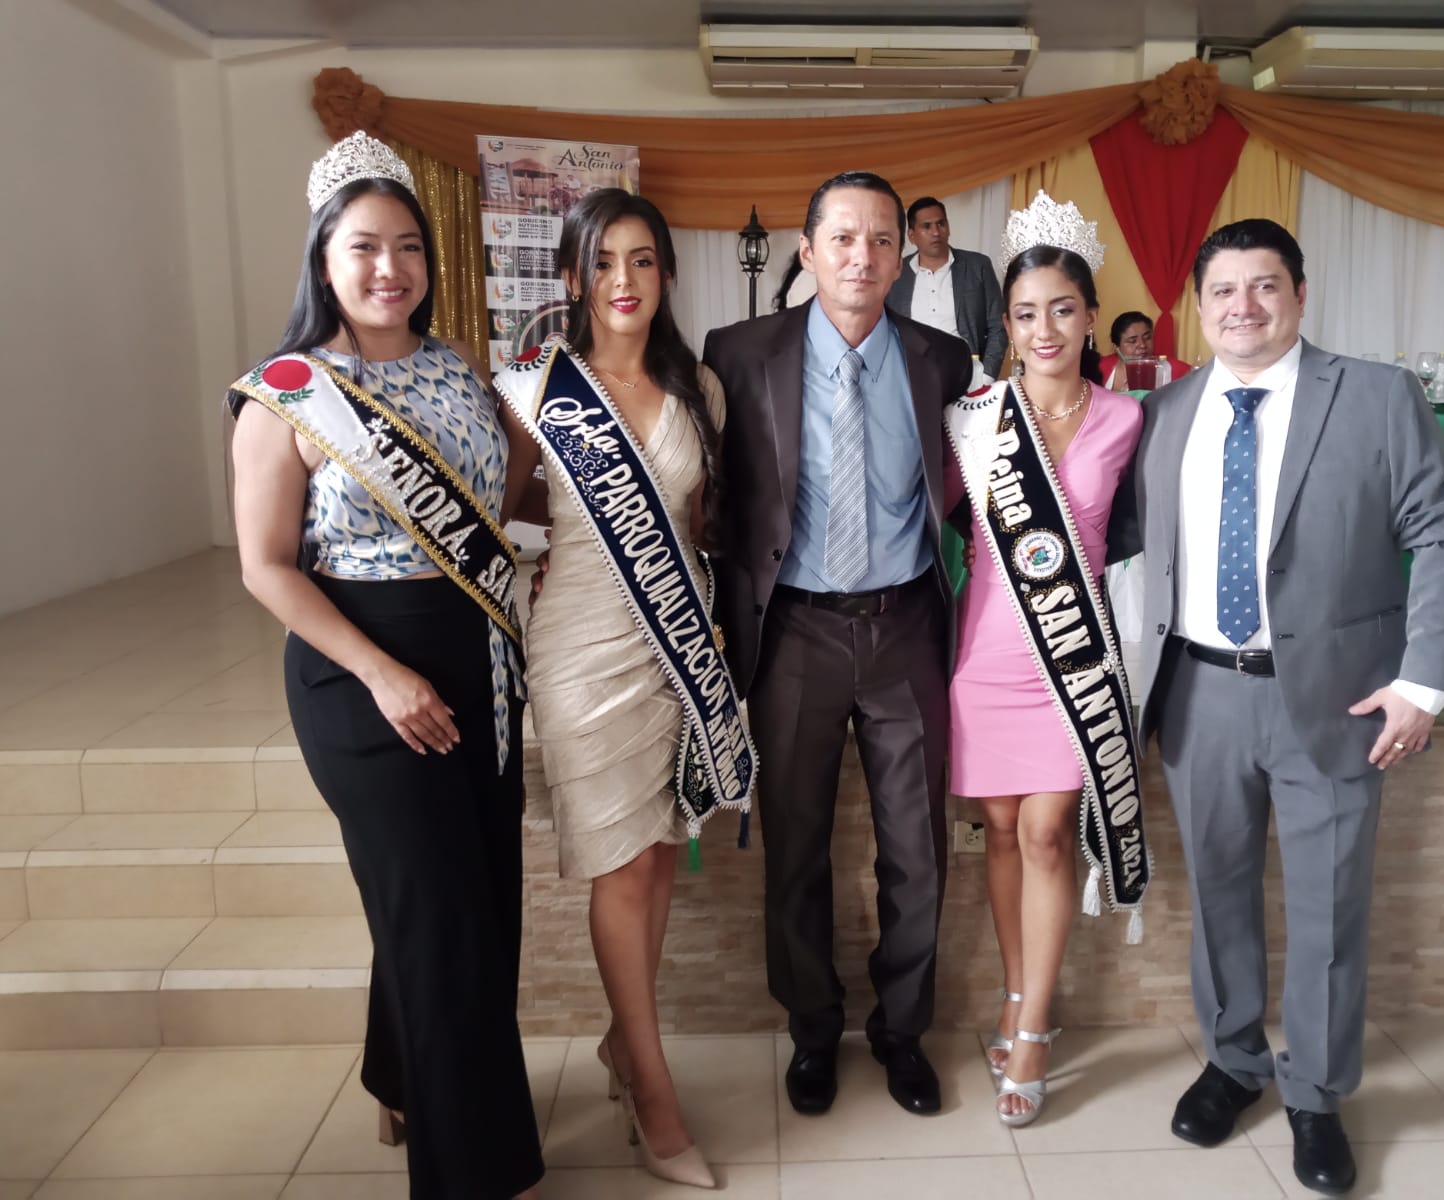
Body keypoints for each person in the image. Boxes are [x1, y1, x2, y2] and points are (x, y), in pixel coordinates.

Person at [1108, 219, 1444, 1195]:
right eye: (1223, 290)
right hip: (1199, 693)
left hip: (1337, 698)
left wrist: (1423, 681)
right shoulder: (1166, 409)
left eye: (1264, 285)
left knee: (1328, 907)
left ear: (1300, 294)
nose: (1243, 307)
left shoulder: (1375, 396)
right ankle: (1235, 1063)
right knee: (1219, 896)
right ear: (1198, 306)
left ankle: (1315, 1093)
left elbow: (1443, 534)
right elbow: (1114, 534)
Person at [228, 133, 544, 1199]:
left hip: (478, 661)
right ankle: (475, 1173)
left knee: (468, 897)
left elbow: (502, 497)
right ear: (324, 259)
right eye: (363, 246)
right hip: (359, 673)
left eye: (408, 246)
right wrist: (381, 673)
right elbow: (266, 569)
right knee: (440, 918)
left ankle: (401, 1074)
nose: (388, 268)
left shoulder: (457, 366)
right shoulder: (284, 395)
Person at [496, 188, 752, 1191]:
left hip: (673, 641)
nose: (623, 280)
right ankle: (653, 1092)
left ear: (666, 274)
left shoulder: (701, 389)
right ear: (572, 275)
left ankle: (620, 1044)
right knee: (618, 863)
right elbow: (499, 502)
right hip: (578, 648)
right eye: (603, 260)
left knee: (654, 852)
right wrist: (573, 525)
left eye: (643, 260)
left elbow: (700, 523)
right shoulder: (538, 388)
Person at [702, 171, 972, 1119]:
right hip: (794, 631)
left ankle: (903, 1031)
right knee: (795, 845)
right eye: (844, 238)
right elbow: (713, 496)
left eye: (882, 240)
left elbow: (970, 495)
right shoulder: (738, 353)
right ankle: (812, 1030)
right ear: (808, 250)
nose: (863, 256)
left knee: (917, 849)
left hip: (906, 626)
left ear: (903, 257)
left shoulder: (944, 361)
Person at [944, 193, 1149, 1128]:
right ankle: (1018, 994)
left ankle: (1032, 1032)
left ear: (1090, 316)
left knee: (1046, 832)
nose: (1044, 330)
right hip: (986, 649)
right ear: (1007, 323)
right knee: (998, 830)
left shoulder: (1128, 421)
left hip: (1072, 657)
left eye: (1062, 309)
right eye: (1025, 314)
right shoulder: (974, 419)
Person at [887, 195, 1007, 382]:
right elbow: (886, 330)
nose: (936, 232)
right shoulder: (897, 274)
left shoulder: (977, 266)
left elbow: (998, 325)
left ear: (948, 227)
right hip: (914, 376)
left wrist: (987, 376)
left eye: (941, 224)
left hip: (968, 374)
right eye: (927, 226)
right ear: (911, 235)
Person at [1101, 309, 1190, 392]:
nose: (1142, 345)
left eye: (1147, 338)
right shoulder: (1098, 368)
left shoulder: (1175, 370)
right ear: (1117, 347)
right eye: (1132, 341)